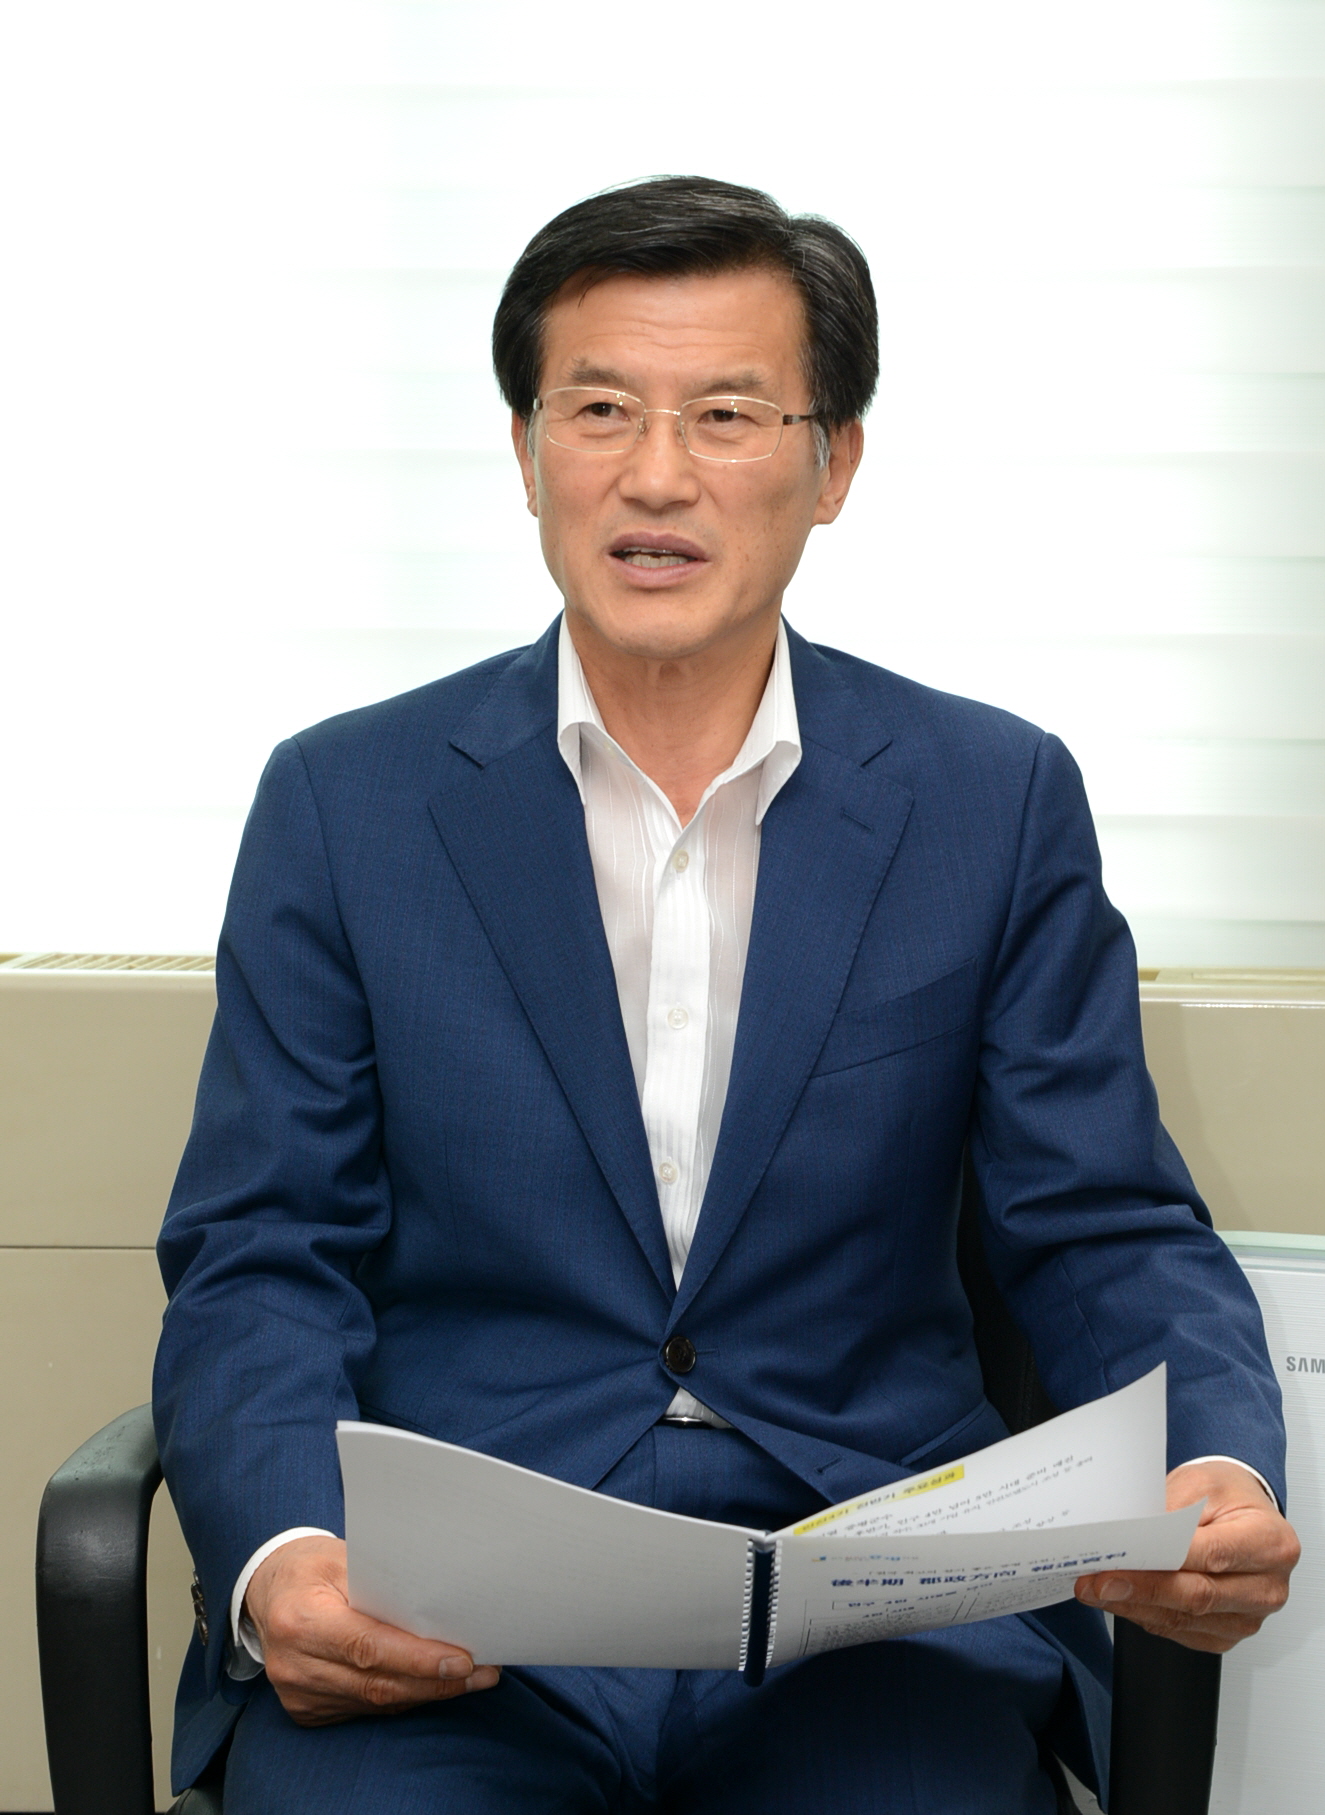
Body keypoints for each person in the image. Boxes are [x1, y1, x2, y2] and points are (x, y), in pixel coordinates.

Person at [154, 177, 1298, 1814]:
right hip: (459, 1609)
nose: (656, 473)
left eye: (727, 414)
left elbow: (1102, 1223)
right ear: (525, 450)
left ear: (833, 465)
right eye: (599, 409)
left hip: (873, 1610)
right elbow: (263, 1249)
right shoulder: (348, 804)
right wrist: (284, 1551)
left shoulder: (989, 800)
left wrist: (1215, 1466)